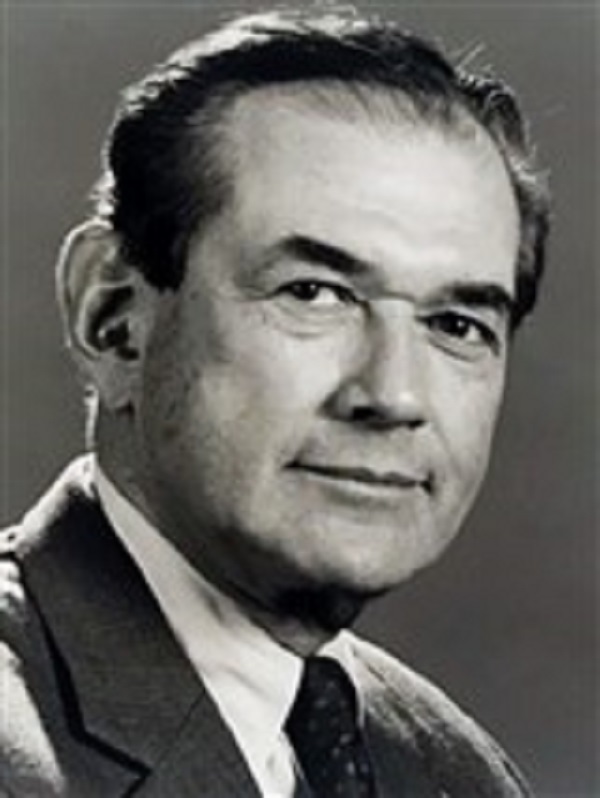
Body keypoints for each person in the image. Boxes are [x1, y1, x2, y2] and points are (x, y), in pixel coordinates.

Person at [0, 7, 550, 797]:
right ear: (113, 317)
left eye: (456, 324)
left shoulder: (456, 770)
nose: (393, 394)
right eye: (313, 293)